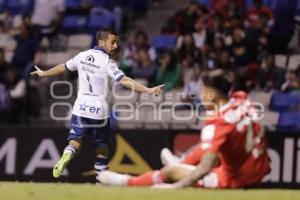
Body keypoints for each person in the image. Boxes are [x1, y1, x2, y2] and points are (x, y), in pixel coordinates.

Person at [98, 69, 270, 189]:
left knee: (171, 171)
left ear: (213, 93)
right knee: (205, 147)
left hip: (236, 180)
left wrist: (176, 187)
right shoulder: (242, 98)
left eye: (202, 91)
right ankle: (181, 163)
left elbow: (206, 167)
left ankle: (128, 182)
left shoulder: (218, 123)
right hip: (258, 168)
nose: (201, 96)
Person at [30, 28, 164, 181]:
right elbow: (124, 80)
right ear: (101, 42)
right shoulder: (108, 62)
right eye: (113, 42)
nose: (115, 46)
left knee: (75, 141)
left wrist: (43, 73)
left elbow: (63, 67)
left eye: (117, 43)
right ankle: (101, 179)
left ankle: (67, 153)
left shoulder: (82, 55)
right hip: (99, 111)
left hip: (80, 108)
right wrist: (148, 90)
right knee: (102, 149)